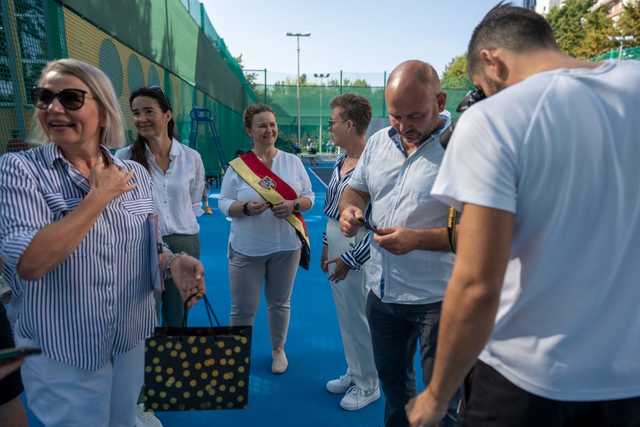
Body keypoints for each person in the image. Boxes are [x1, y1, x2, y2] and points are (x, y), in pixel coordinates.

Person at [406, 4, 640, 427]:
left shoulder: (496, 118)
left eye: (482, 85)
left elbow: (477, 282)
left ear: (492, 61)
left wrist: (437, 394)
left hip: (527, 381)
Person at [0, 58, 205, 427]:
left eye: (71, 98)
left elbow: (150, 246)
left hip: (130, 336)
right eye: (44, 97)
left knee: (125, 420)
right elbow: (30, 262)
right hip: (65, 349)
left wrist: (173, 262)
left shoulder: (136, 174)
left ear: (104, 112)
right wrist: (96, 199)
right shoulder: (19, 170)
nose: (54, 108)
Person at [339, 60, 460, 427]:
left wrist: (417, 240)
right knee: (396, 395)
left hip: (439, 300)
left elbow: (481, 233)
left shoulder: (464, 148)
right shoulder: (378, 141)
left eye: (415, 116)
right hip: (382, 294)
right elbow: (356, 189)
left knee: (445, 403)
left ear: (439, 101)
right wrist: (350, 210)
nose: (404, 126)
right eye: (395, 116)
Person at [218, 104, 314, 374]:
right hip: (247, 248)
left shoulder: (292, 162)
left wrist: (294, 205)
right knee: (242, 309)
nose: (269, 130)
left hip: (286, 247)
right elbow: (224, 202)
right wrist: (245, 209)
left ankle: (278, 350)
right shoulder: (238, 167)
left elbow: (309, 197)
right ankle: (237, 353)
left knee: (280, 303)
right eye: (261, 125)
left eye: (272, 124)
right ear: (250, 131)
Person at [116, 86, 205, 327]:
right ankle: (145, 363)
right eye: (136, 113)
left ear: (167, 115)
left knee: (178, 315)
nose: (141, 119)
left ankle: (173, 363)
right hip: (141, 243)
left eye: (148, 111)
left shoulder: (192, 158)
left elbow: (194, 202)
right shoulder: (123, 158)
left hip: (185, 241)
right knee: (146, 314)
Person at [320, 93, 380, 410]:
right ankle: (355, 371)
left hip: (359, 245)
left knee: (359, 315)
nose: (329, 127)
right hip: (337, 239)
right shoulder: (342, 160)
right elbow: (331, 208)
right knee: (346, 314)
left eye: (333, 122)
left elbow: (378, 218)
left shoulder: (374, 162)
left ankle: (369, 384)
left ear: (349, 124)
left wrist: (350, 254)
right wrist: (326, 244)